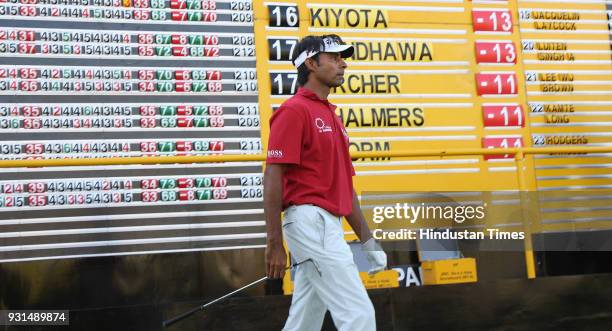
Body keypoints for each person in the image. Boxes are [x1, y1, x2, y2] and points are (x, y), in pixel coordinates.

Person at [263, 34, 387, 331]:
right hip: (310, 223)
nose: (342, 64)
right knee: (358, 315)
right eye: (334, 57)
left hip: (323, 224)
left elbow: (345, 186)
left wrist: (367, 239)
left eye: (342, 58)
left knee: (305, 320)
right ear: (310, 63)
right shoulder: (293, 110)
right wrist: (274, 243)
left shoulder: (331, 115)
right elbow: (272, 175)